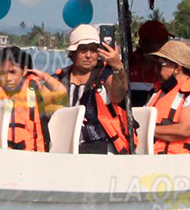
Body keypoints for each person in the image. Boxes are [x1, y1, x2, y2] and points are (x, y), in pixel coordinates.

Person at [0, 46, 66, 151]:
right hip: (1, 156)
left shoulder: (35, 95)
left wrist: (42, 75)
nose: (8, 78)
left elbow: (61, 92)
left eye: (13, 72)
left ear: (24, 72)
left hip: (33, 157)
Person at [54, 24, 133, 155]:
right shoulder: (60, 77)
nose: (89, 55)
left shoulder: (105, 74)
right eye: (83, 50)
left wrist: (118, 66)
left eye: (93, 50)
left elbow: (118, 95)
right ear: (73, 54)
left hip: (101, 145)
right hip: (65, 145)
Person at [128, 20, 169, 106]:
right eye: (160, 42)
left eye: (166, 41)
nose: (166, 46)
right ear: (143, 43)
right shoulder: (128, 62)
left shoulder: (173, 65)